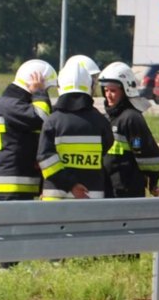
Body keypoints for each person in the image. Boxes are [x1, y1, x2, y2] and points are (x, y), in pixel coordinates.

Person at [37, 56, 112, 201]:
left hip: (57, 197)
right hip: (91, 196)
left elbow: (44, 158)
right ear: (89, 86)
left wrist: (70, 184)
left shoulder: (52, 121)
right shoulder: (101, 121)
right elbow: (107, 145)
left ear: (60, 87)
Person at [0, 60, 56, 200]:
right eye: (46, 89)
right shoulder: (12, 104)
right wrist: (39, 93)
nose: (46, 93)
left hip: (16, 181)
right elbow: (42, 119)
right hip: (13, 183)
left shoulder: (12, 101)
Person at [99, 62, 159, 199]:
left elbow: (151, 158)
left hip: (126, 194)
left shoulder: (131, 119)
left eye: (113, 91)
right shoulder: (107, 118)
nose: (108, 95)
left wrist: (152, 183)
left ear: (126, 90)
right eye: (106, 90)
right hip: (107, 192)